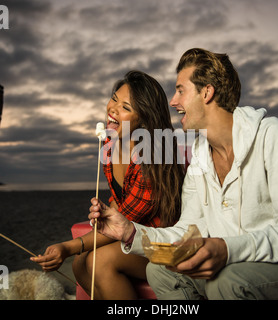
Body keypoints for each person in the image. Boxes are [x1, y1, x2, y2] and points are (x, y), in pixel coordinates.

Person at [88, 48, 278, 299]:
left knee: (229, 281)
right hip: (257, 261)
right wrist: (130, 233)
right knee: (161, 272)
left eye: (180, 90)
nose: (173, 101)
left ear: (206, 93)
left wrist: (227, 250)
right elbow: (189, 231)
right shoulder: (200, 153)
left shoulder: (274, 136)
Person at [32, 70, 186, 299]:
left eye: (126, 107)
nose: (113, 109)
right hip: (133, 237)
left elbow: (127, 221)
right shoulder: (109, 143)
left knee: (99, 261)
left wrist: (66, 247)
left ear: (143, 118)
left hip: (166, 247)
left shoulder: (152, 159)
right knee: (80, 263)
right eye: (114, 98)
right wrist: (108, 209)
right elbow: (122, 199)